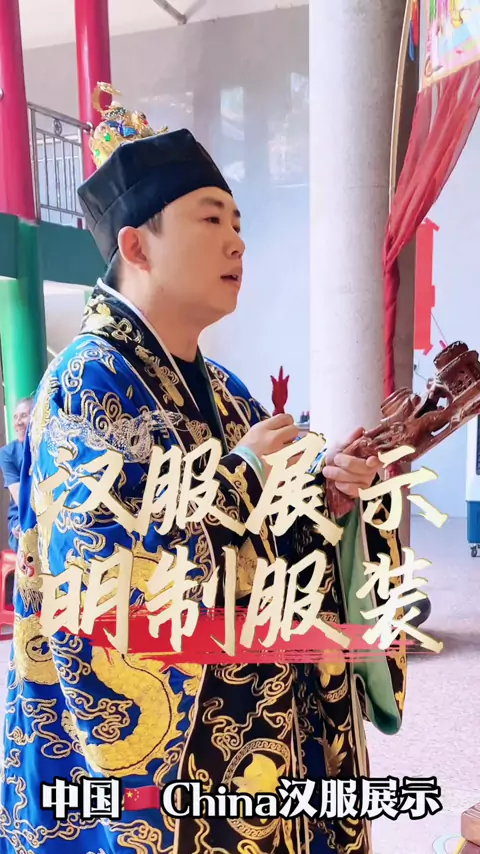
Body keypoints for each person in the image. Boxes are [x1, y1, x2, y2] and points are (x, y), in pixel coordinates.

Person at [0, 100, 407, 854]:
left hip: (262, 732)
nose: (237, 242)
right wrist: (244, 475)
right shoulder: (86, 385)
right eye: (211, 219)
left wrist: (331, 500)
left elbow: (277, 535)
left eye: (239, 223)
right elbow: (108, 575)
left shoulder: (226, 391)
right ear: (136, 245)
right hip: (168, 760)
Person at [0, 397, 33, 552]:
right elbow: (21, 499)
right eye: (15, 417)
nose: (18, 422)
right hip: (23, 515)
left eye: (24, 416)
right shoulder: (7, 453)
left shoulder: (50, 447)